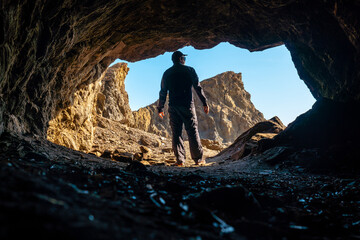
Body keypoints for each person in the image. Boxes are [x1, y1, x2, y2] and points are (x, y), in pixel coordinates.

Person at [157, 51, 209, 166]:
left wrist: (160, 108)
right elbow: (198, 88)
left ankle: (180, 160)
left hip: (173, 106)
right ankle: (198, 160)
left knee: (176, 133)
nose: (185, 60)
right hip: (187, 106)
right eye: (184, 58)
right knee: (192, 131)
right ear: (181, 59)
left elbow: (163, 92)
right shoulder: (189, 70)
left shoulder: (167, 73)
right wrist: (204, 102)